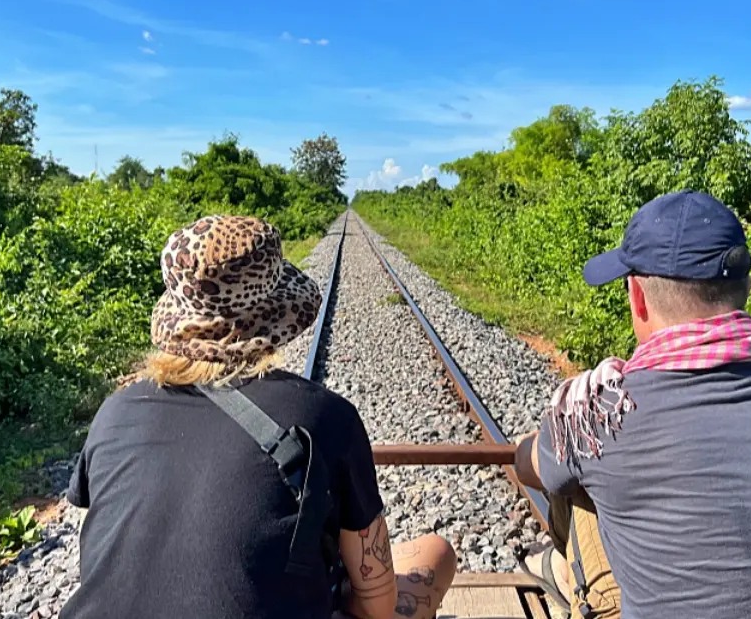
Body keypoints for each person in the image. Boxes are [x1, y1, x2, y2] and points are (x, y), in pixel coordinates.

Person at [514, 190, 751, 619]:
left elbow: (528, 466)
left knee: (578, 478)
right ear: (746, 287)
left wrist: (557, 430)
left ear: (637, 296)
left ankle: (562, 574)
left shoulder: (601, 411)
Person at [61, 215, 456, 619]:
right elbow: (377, 606)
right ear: (277, 311)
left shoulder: (114, 412)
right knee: (435, 553)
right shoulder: (328, 415)